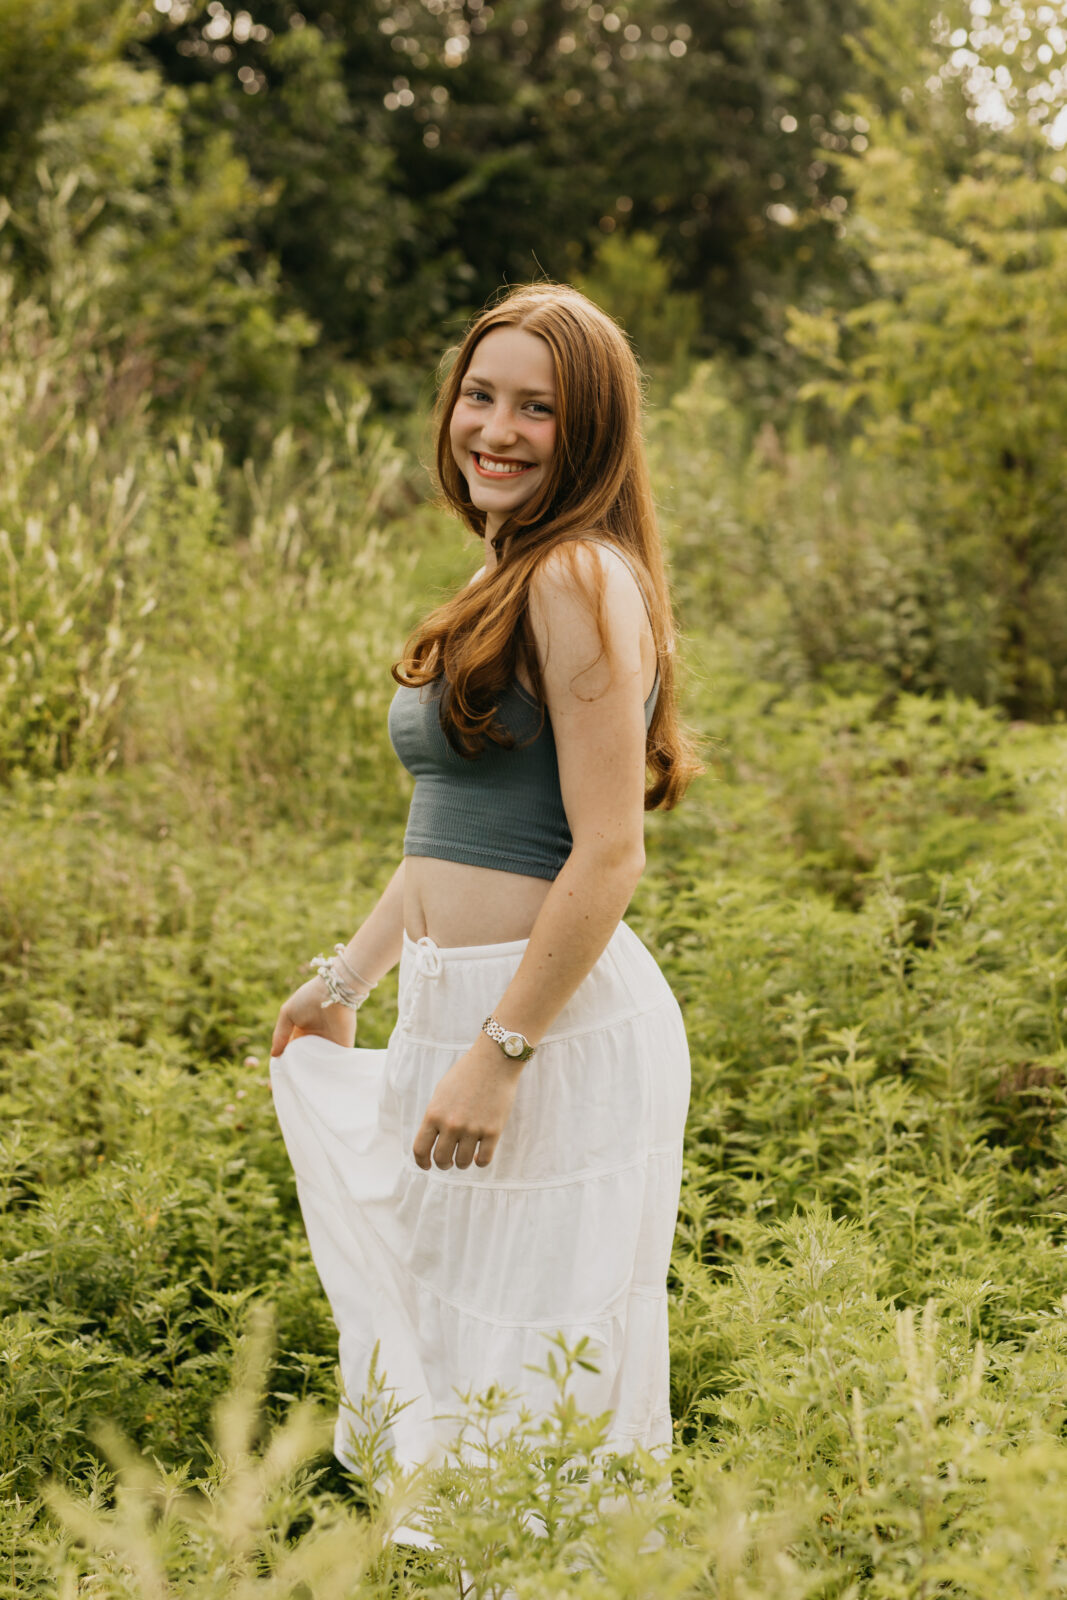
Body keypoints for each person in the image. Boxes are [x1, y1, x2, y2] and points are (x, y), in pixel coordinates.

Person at [268, 283, 699, 1482]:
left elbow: (608, 849)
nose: (494, 430)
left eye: (537, 409)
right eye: (479, 395)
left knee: (533, 1371)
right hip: (460, 1008)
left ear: (594, 432)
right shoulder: (505, 572)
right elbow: (441, 837)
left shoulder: (578, 579)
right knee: (460, 1354)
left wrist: (501, 1049)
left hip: (547, 1026)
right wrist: (344, 976)